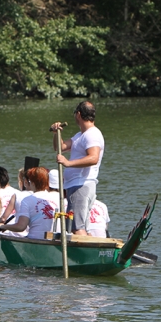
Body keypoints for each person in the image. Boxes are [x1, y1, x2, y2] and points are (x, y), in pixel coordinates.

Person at [50, 101, 105, 236]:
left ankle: (88, 256)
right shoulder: (81, 135)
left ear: (78, 115)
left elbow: (93, 158)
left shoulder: (92, 135)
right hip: (76, 185)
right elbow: (60, 147)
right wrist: (56, 132)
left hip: (81, 184)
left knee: (77, 228)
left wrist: (68, 163)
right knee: (78, 228)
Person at [0, 167, 65, 240]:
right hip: (57, 239)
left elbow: (21, 227)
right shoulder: (58, 197)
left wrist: (3, 226)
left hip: (36, 238)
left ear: (32, 183)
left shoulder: (27, 200)